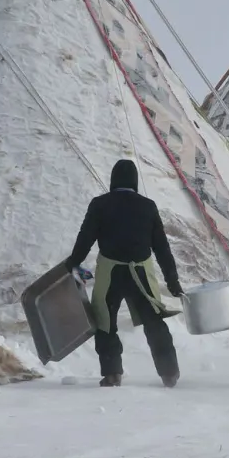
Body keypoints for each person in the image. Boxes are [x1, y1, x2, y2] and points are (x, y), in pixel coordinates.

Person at [62, 159, 184, 388]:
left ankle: (112, 373)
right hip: (141, 273)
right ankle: (169, 373)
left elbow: (85, 236)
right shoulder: (148, 206)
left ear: (113, 180)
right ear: (135, 182)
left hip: (110, 273)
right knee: (154, 321)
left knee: (105, 321)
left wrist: (74, 262)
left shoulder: (100, 204)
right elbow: (161, 247)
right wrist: (172, 280)